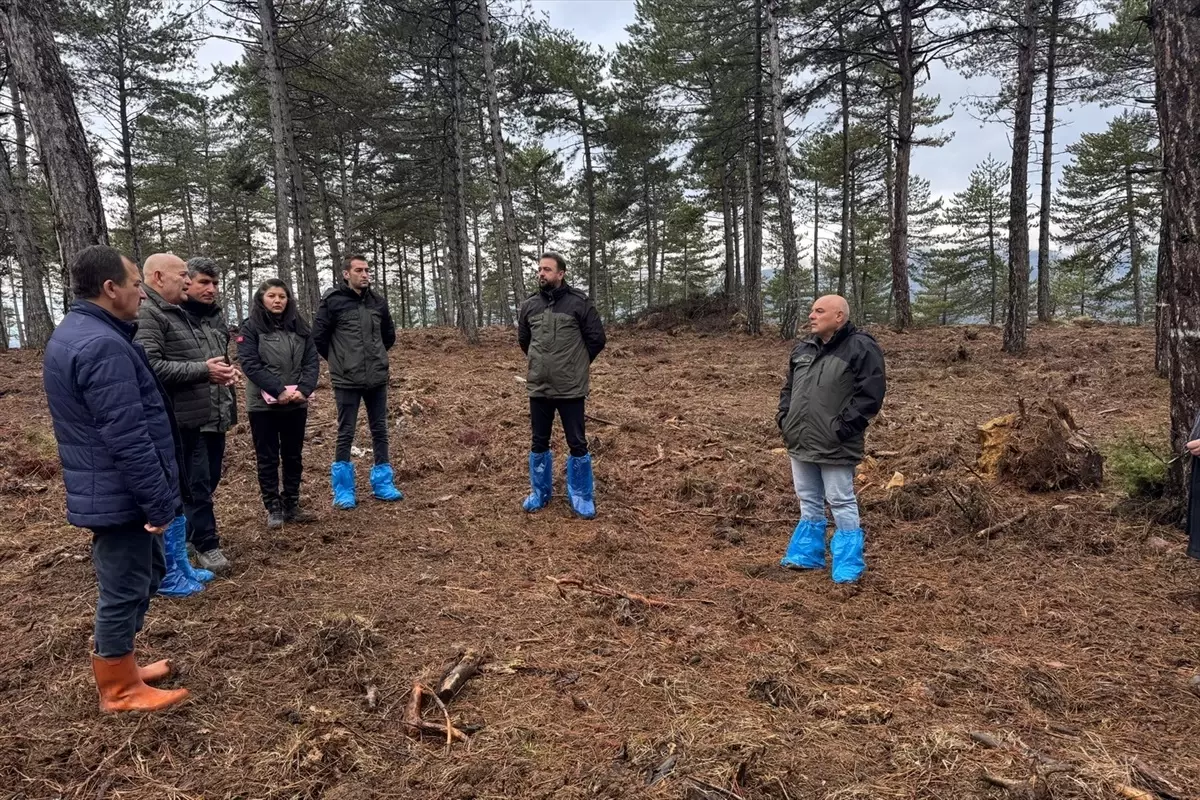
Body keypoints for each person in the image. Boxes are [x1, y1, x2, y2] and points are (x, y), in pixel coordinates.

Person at [43, 245, 190, 712]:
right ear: (110, 289)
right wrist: (159, 502)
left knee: (146, 573)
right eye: (133, 284)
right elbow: (128, 436)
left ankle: (123, 665)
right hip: (119, 490)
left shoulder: (84, 332)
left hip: (110, 486)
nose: (141, 295)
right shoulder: (101, 344)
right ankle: (119, 689)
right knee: (125, 586)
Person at [136, 252, 237, 589]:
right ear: (159, 277)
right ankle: (185, 558)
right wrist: (204, 371)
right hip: (173, 420)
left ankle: (180, 561)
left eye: (209, 282)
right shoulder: (150, 314)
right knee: (189, 487)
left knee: (193, 486)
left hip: (196, 417)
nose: (189, 283)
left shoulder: (177, 313)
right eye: (185, 276)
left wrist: (214, 372)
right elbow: (149, 365)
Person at [776, 295, 886, 584]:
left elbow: (871, 394)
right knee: (808, 499)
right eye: (812, 310)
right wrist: (785, 419)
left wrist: (842, 429)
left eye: (819, 311)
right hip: (800, 439)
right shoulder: (803, 349)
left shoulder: (861, 347)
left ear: (839, 316)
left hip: (836, 442)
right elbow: (789, 389)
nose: (812, 315)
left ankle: (848, 563)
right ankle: (807, 555)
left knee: (840, 499)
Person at [517, 251, 606, 518]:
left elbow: (597, 339)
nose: (541, 274)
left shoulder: (579, 303)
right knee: (538, 442)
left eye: (547, 269)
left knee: (577, 442)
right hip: (539, 387)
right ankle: (539, 493)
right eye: (539, 269)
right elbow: (525, 341)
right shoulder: (530, 305)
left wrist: (576, 365)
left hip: (571, 389)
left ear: (561, 274)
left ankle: (580, 495)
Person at [312, 254, 403, 509]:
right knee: (346, 431)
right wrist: (340, 361)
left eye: (367, 270)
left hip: (376, 377)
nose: (365, 275)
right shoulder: (333, 302)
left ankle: (383, 483)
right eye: (359, 270)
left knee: (380, 429)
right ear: (345, 274)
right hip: (346, 379)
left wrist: (375, 359)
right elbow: (319, 338)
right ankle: (343, 489)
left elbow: (389, 337)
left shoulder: (378, 302)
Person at [238, 279, 320, 528]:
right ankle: (273, 506)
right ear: (261, 299)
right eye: (272, 296)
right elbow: (250, 364)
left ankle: (291, 503)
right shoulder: (251, 328)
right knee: (268, 456)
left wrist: (304, 389)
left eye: (282, 296)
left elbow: (311, 361)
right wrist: (278, 390)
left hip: (296, 403)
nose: (277, 301)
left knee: (293, 455)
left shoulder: (300, 326)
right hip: (263, 406)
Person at [180, 256, 237, 559]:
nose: (211, 289)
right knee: (198, 482)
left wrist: (228, 375)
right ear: (186, 282)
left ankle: (188, 535)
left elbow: (218, 360)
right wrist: (203, 371)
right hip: (191, 415)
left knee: (210, 477)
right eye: (204, 282)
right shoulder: (173, 316)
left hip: (217, 412)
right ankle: (207, 544)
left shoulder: (215, 317)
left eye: (214, 283)